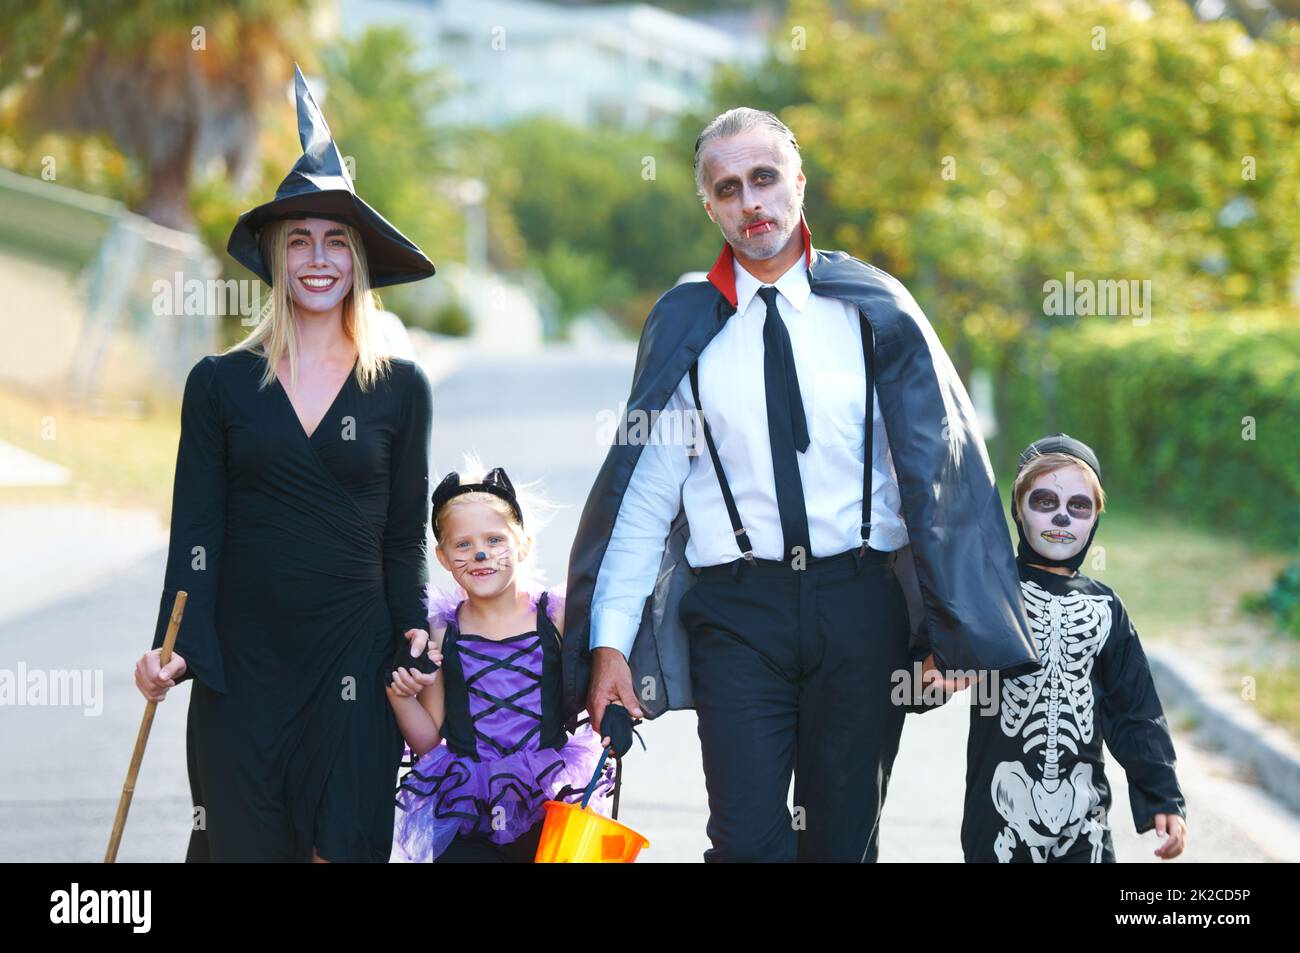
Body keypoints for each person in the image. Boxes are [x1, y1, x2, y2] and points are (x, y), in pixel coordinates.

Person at [563, 107, 1039, 862]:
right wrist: (609, 644)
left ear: (798, 182)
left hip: (860, 608)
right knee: (748, 842)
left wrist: (949, 624)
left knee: (841, 843)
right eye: (727, 188)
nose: (750, 202)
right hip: (736, 617)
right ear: (709, 206)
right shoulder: (689, 323)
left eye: (764, 178)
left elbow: (932, 474)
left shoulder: (871, 309)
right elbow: (644, 498)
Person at [133, 65, 437, 862]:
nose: (317, 258)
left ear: (361, 259)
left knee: (342, 844)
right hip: (244, 666)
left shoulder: (401, 387)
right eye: (298, 239)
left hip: (356, 661)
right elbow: (197, 531)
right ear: (272, 253)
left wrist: (412, 633)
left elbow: (404, 535)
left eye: (337, 241)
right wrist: (176, 646)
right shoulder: (220, 384)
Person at [962, 433, 1188, 862]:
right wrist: (932, 671)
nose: (1062, 519)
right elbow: (933, 668)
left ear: (1095, 518)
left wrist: (1162, 796)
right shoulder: (991, 592)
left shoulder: (1105, 608)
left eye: (1078, 507)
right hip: (999, 820)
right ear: (1018, 510)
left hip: (1084, 821)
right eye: (1045, 502)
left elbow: (1135, 710)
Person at [389, 460, 615, 863]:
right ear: (442, 557)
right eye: (463, 544)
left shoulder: (556, 618)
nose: (479, 553)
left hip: (549, 798)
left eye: (495, 540)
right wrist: (402, 698)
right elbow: (428, 741)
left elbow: (600, 669)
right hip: (467, 804)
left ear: (524, 544)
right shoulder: (443, 631)